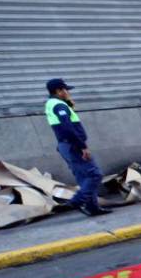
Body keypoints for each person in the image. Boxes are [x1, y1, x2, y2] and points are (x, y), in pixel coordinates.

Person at [44, 78, 110, 217]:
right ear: (59, 91)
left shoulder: (52, 104)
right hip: (73, 145)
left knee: (84, 177)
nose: (68, 92)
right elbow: (68, 128)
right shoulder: (59, 105)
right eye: (66, 90)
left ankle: (93, 208)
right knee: (94, 174)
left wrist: (68, 104)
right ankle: (77, 201)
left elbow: (64, 123)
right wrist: (82, 146)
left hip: (65, 145)